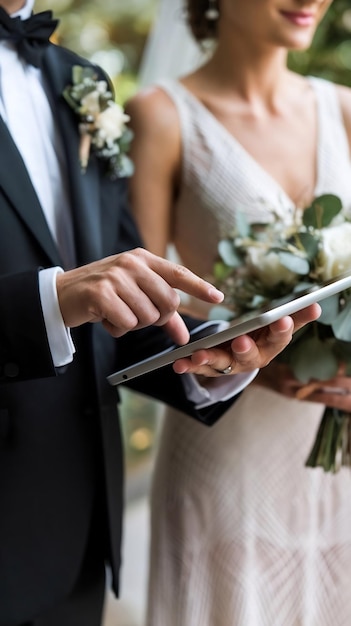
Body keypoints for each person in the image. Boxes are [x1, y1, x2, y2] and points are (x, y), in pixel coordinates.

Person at [0, 2, 319, 625]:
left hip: (76, 535)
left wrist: (207, 353)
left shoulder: (78, 77)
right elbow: (70, 296)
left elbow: (117, 292)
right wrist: (52, 301)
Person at [126, 0, 351, 624]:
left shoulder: (343, 108)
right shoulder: (162, 115)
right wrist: (240, 360)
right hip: (228, 452)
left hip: (338, 460)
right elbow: (138, 319)